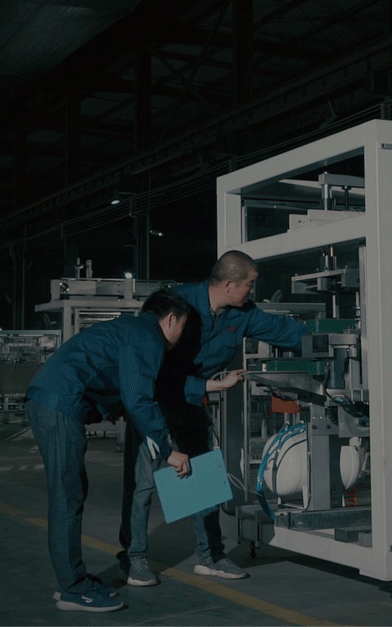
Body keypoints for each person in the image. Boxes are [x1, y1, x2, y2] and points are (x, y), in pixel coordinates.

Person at [119, 250, 308, 585]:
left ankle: (210, 557)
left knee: (201, 481)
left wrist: (337, 334)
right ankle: (134, 558)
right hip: (153, 403)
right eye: (249, 284)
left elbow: (284, 331)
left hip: (190, 404)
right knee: (143, 484)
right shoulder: (177, 304)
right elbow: (148, 361)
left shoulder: (242, 312)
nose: (252, 290)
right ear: (230, 284)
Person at [25, 287, 193, 612]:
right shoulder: (149, 337)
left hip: (54, 401)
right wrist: (168, 450)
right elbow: (138, 398)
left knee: (72, 493)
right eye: (183, 327)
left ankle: (74, 580)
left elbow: (113, 376)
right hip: (58, 405)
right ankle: (73, 590)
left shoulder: (132, 329)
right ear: (171, 319)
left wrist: (111, 404)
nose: (181, 336)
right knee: (66, 498)